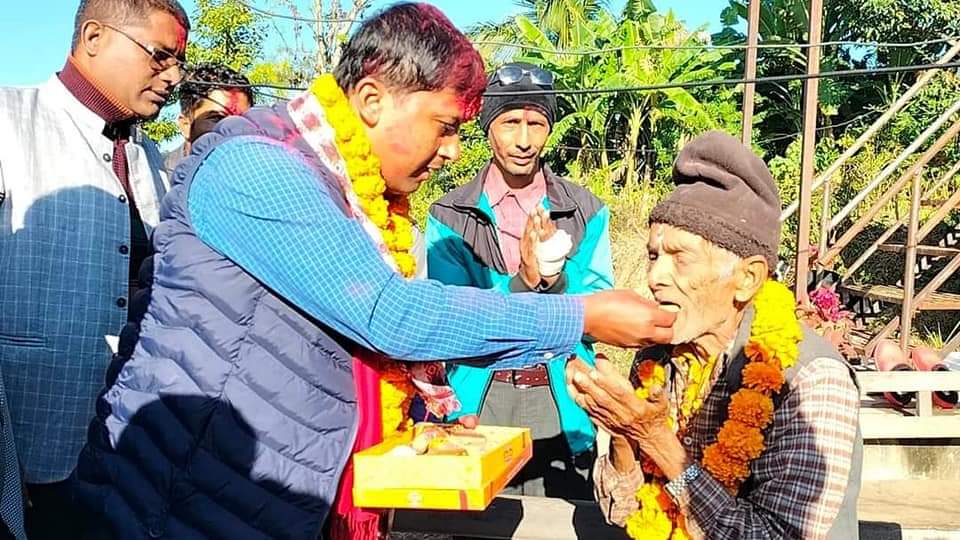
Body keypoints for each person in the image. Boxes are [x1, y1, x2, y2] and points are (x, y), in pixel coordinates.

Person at [73, 3, 675, 540]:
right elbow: (389, 315)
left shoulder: (355, 194)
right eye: (445, 128)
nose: (452, 152)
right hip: (189, 500)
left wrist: (422, 415)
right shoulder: (254, 166)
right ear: (371, 99)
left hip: (275, 495)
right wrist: (581, 315)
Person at [567, 131, 863, 539]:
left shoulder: (812, 381)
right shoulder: (661, 355)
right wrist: (621, 434)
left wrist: (657, 441)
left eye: (680, 259)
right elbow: (623, 514)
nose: (654, 277)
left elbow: (775, 536)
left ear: (747, 279)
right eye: (654, 255)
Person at [0, 0, 189, 537]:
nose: (173, 76)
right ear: (93, 38)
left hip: (123, 452)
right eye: (159, 56)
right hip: (25, 443)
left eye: (178, 61)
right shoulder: (7, 120)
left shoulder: (150, 159)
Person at [427, 63, 613, 499]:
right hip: (482, 399)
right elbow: (456, 319)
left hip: (561, 400)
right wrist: (526, 280)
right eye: (511, 123)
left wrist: (555, 275)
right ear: (489, 127)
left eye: (537, 124)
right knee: (483, 530)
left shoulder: (584, 211)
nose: (525, 140)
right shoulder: (451, 216)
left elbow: (599, 307)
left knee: (563, 523)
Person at [163, 63, 254, 172]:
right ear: (185, 125)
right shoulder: (156, 178)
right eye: (218, 119)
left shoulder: (253, 178)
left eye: (241, 123)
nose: (232, 132)